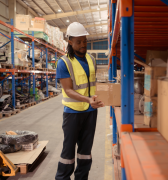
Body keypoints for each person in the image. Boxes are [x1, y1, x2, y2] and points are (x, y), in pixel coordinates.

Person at [55, 22, 104, 180]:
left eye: (85, 41)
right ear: (70, 42)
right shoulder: (64, 63)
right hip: (73, 113)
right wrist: (88, 99)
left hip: (90, 112)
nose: (83, 45)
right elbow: (68, 89)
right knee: (68, 152)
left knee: (85, 152)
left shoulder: (91, 59)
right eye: (79, 42)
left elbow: (92, 84)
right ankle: (62, 178)